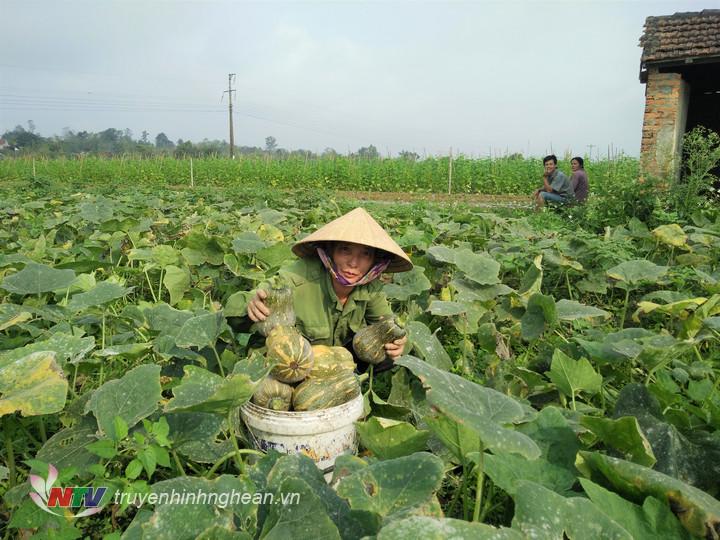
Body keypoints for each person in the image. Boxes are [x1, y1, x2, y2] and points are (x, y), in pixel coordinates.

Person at [247, 207, 412, 373]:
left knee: (386, 356)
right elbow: (267, 289)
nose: (354, 263)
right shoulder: (300, 276)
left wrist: (398, 341)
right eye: (345, 250)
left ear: (374, 261)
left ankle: (346, 385)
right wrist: (252, 301)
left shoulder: (371, 287)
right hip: (292, 365)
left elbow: (387, 323)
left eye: (365, 254)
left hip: (335, 362)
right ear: (330, 251)